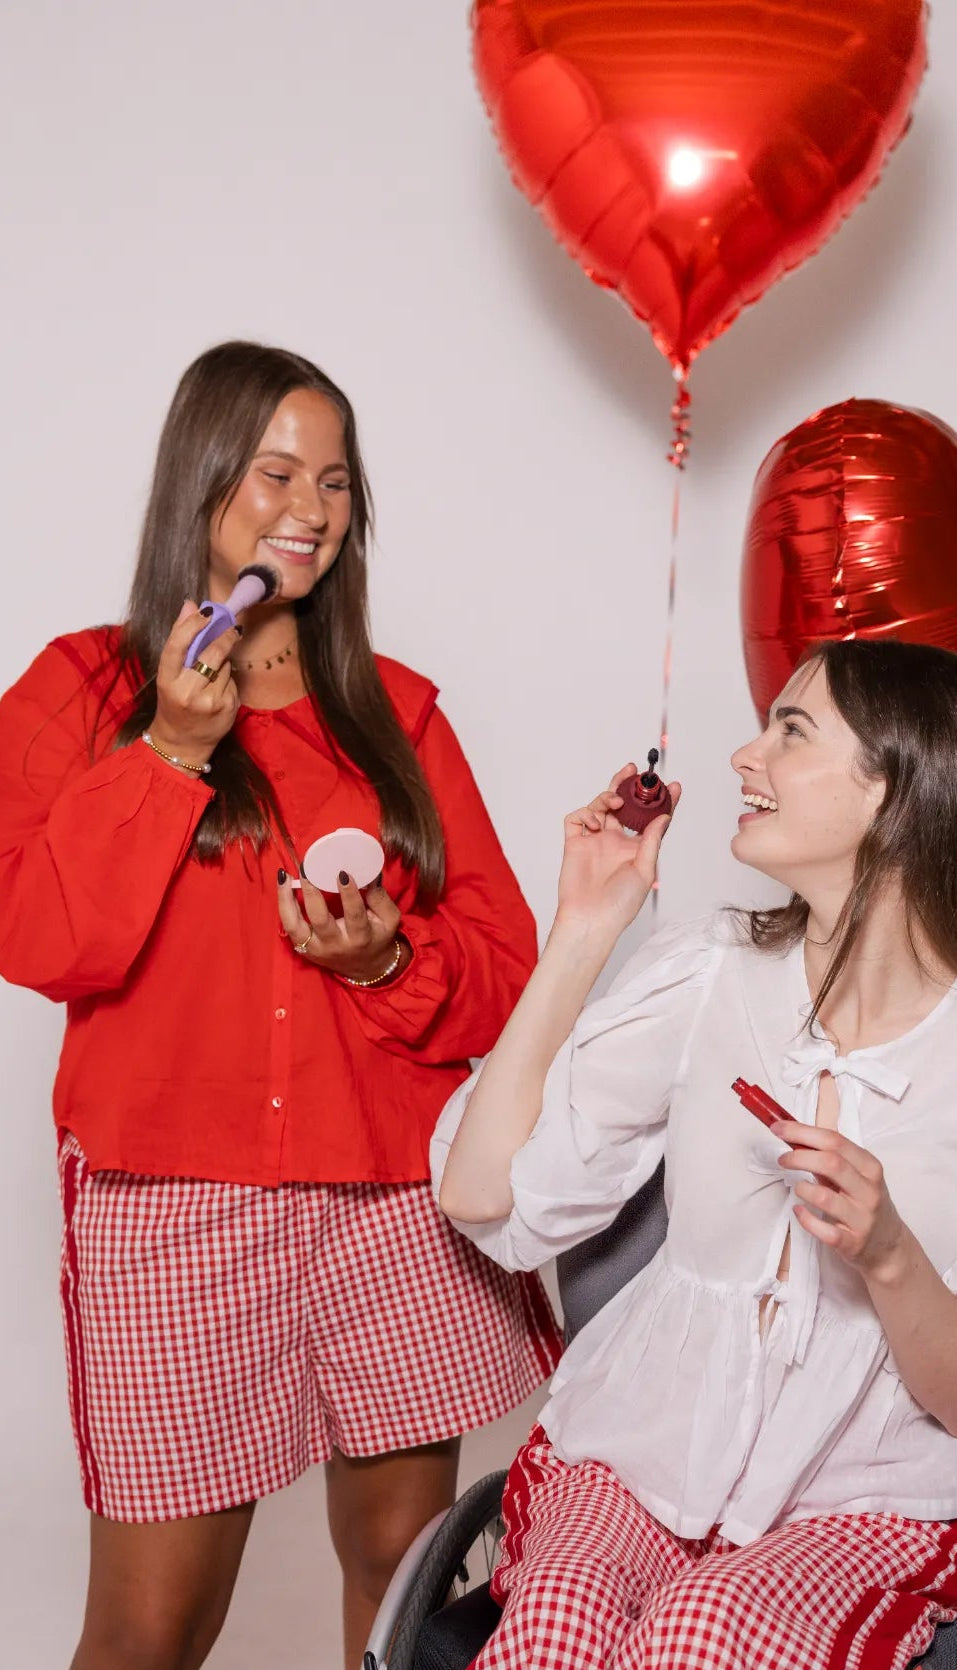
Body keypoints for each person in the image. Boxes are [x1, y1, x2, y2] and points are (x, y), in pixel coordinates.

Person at [0, 341, 561, 1670]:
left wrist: (383, 961)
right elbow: (37, 937)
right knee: (151, 1625)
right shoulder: (80, 693)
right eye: (274, 472)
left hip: (391, 1215)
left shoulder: (397, 716)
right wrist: (172, 753)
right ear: (201, 482)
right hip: (176, 1213)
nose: (309, 505)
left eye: (336, 480)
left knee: (400, 1590)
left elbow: (502, 967)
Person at [433, 638, 957, 1670]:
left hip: (865, 1502)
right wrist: (583, 927)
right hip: (637, 1454)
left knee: (697, 1634)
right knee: (550, 1630)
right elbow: (481, 1190)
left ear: (899, 790)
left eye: (790, 731)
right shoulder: (712, 971)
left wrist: (888, 1253)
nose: (745, 757)